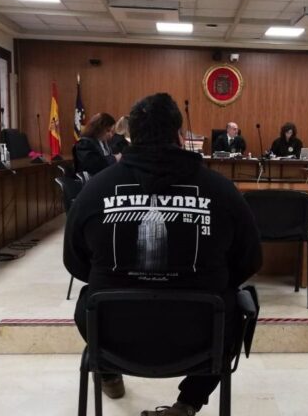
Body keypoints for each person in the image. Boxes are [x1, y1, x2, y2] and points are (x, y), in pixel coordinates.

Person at [63, 93, 262, 416]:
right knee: (236, 305)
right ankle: (189, 403)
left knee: (90, 298)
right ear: (179, 136)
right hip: (202, 337)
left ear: (130, 136)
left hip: (114, 335)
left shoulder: (95, 190)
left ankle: (109, 372)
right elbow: (250, 260)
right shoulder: (223, 191)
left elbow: (75, 261)